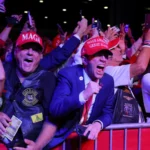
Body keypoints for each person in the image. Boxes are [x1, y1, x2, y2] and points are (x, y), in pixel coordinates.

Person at [48, 36, 115, 148]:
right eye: (98, 55)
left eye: (106, 56)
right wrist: (83, 95)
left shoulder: (108, 81)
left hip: (87, 142)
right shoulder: (68, 75)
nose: (103, 59)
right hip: (63, 140)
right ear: (84, 60)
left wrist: (98, 124)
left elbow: (107, 112)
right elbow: (55, 109)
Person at [0, 31, 57, 149]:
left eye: (35, 50)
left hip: (28, 145)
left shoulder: (47, 79)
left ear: (41, 55)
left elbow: (52, 120)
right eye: (25, 48)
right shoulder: (3, 71)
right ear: (16, 52)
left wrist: (37, 146)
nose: (30, 52)